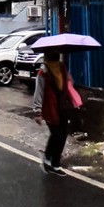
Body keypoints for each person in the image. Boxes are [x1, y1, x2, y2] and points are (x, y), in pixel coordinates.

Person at [33, 48, 77, 177]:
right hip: (50, 108)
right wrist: (37, 112)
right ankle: (48, 158)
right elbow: (38, 92)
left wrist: (68, 81)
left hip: (63, 107)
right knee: (56, 134)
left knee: (62, 135)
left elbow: (69, 83)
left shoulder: (62, 68)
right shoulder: (43, 72)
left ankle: (55, 164)